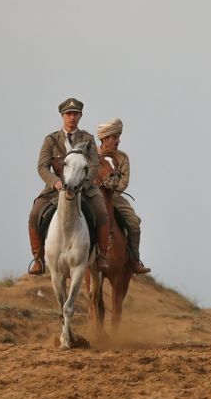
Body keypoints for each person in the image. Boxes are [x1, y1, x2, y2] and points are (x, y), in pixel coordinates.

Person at [27, 97, 111, 275]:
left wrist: (82, 182)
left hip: (84, 187)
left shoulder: (88, 139)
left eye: (75, 114)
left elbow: (94, 165)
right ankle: (38, 259)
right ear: (62, 116)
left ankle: (102, 256)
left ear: (80, 116)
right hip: (55, 189)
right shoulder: (51, 140)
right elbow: (42, 167)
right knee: (35, 214)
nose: (72, 117)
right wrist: (56, 183)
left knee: (102, 212)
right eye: (69, 114)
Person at [96, 118, 151, 275]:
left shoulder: (123, 158)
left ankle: (134, 260)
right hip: (93, 197)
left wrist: (111, 191)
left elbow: (124, 182)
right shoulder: (91, 154)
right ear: (104, 138)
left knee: (133, 222)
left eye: (118, 137)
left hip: (114, 197)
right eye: (115, 137)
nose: (118, 141)